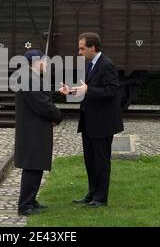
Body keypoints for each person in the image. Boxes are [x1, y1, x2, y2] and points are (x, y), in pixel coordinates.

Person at [59, 33, 124, 208]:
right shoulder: (90, 64)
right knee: (90, 160)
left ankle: (101, 198)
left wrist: (88, 89)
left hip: (102, 123)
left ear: (92, 48)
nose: (79, 52)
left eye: (82, 48)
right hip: (89, 122)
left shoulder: (107, 65)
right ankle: (92, 193)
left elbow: (111, 92)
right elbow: (88, 90)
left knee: (101, 161)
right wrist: (71, 91)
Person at [15, 49, 63, 216]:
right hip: (32, 131)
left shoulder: (31, 77)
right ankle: (25, 206)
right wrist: (58, 116)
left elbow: (42, 100)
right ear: (37, 62)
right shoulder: (29, 79)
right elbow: (43, 105)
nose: (47, 63)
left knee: (36, 166)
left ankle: (31, 201)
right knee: (32, 166)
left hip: (35, 129)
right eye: (45, 60)